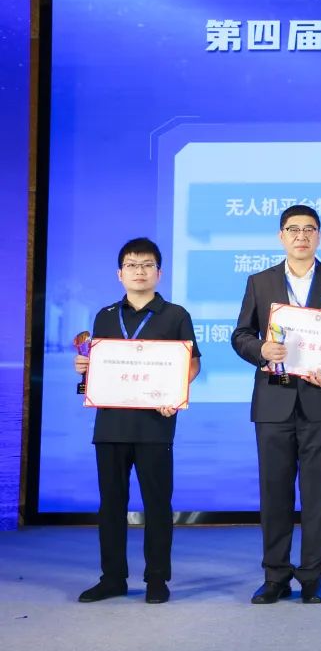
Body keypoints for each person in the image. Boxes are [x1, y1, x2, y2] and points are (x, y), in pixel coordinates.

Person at [231, 204, 321, 605]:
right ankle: (275, 576)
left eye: (309, 229)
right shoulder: (260, 282)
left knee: (318, 494)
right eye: (293, 229)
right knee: (274, 493)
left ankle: (312, 577)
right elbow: (240, 335)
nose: (301, 236)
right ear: (281, 236)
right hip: (274, 401)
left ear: (319, 235)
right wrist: (261, 349)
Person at [75, 237, 202, 604]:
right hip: (110, 425)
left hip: (155, 425)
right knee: (111, 505)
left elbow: (192, 363)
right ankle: (112, 578)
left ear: (159, 273)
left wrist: (174, 394)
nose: (140, 271)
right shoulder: (104, 315)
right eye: (132, 265)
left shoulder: (175, 315)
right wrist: (84, 367)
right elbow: (99, 367)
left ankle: (157, 579)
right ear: (120, 274)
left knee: (157, 504)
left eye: (147, 265)